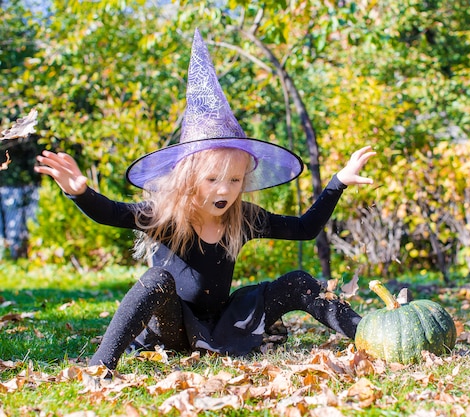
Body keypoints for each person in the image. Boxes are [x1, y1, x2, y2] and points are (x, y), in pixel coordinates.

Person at [34, 29, 375, 371]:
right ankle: (100, 366)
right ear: (189, 177)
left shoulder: (243, 218)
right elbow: (112, 213)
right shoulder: (168, 216)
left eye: (235, 180)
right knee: (156, 280)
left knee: (299, 281)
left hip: (223, 324)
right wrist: (79, 191)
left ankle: (372, 334)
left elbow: (304, 228)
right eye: (213, 179)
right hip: (173, 328)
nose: (224, 190)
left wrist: (338, 181)